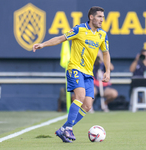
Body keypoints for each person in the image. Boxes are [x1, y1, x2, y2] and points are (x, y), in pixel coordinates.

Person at [33, 6, 111, 143]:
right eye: (99, 17)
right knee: (79, 96)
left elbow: (105, 53)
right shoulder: (79, 29)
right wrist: (43, 44)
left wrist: (107, 70)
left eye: (103, 17)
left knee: (87, 105)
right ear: (91, 17)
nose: (101, 20)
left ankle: (63, 129)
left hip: (88, 73)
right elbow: (61, 38)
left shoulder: (102, 35)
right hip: (75, 68)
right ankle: (69, 127)